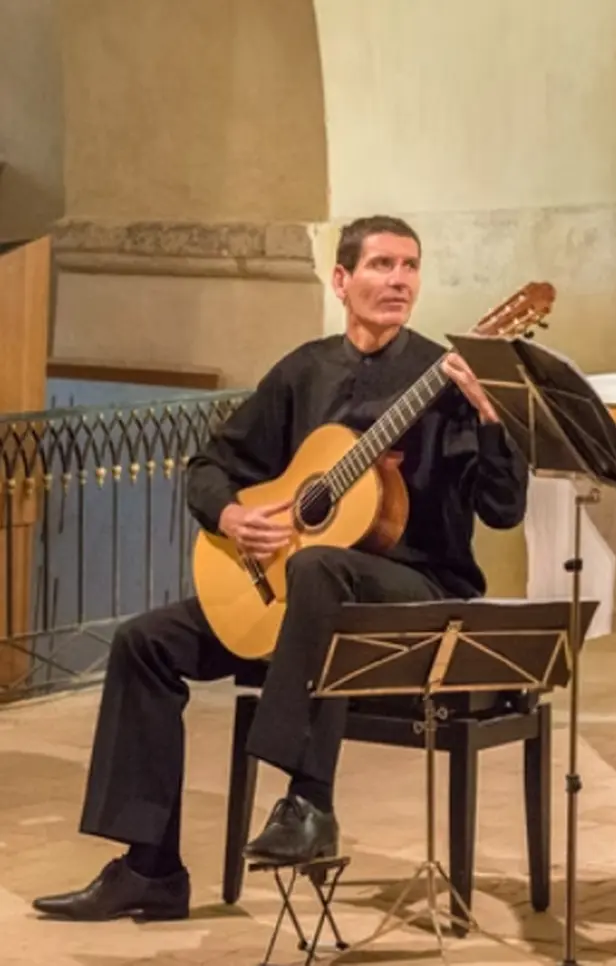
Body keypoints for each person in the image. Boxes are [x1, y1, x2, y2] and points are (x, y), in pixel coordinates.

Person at [32, 215, 529, 922]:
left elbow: (503, 512)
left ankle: (307, 799)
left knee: (321, 567)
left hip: (416, 589)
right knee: (144, 642)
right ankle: (149, 869)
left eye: (411, 266)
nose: (398, 280)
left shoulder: (442, 380)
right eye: (382, 265)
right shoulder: (305, 370)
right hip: (304, 594)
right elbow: (209, 467)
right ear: (341, 279)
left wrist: (491, 420)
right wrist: (232, 516)